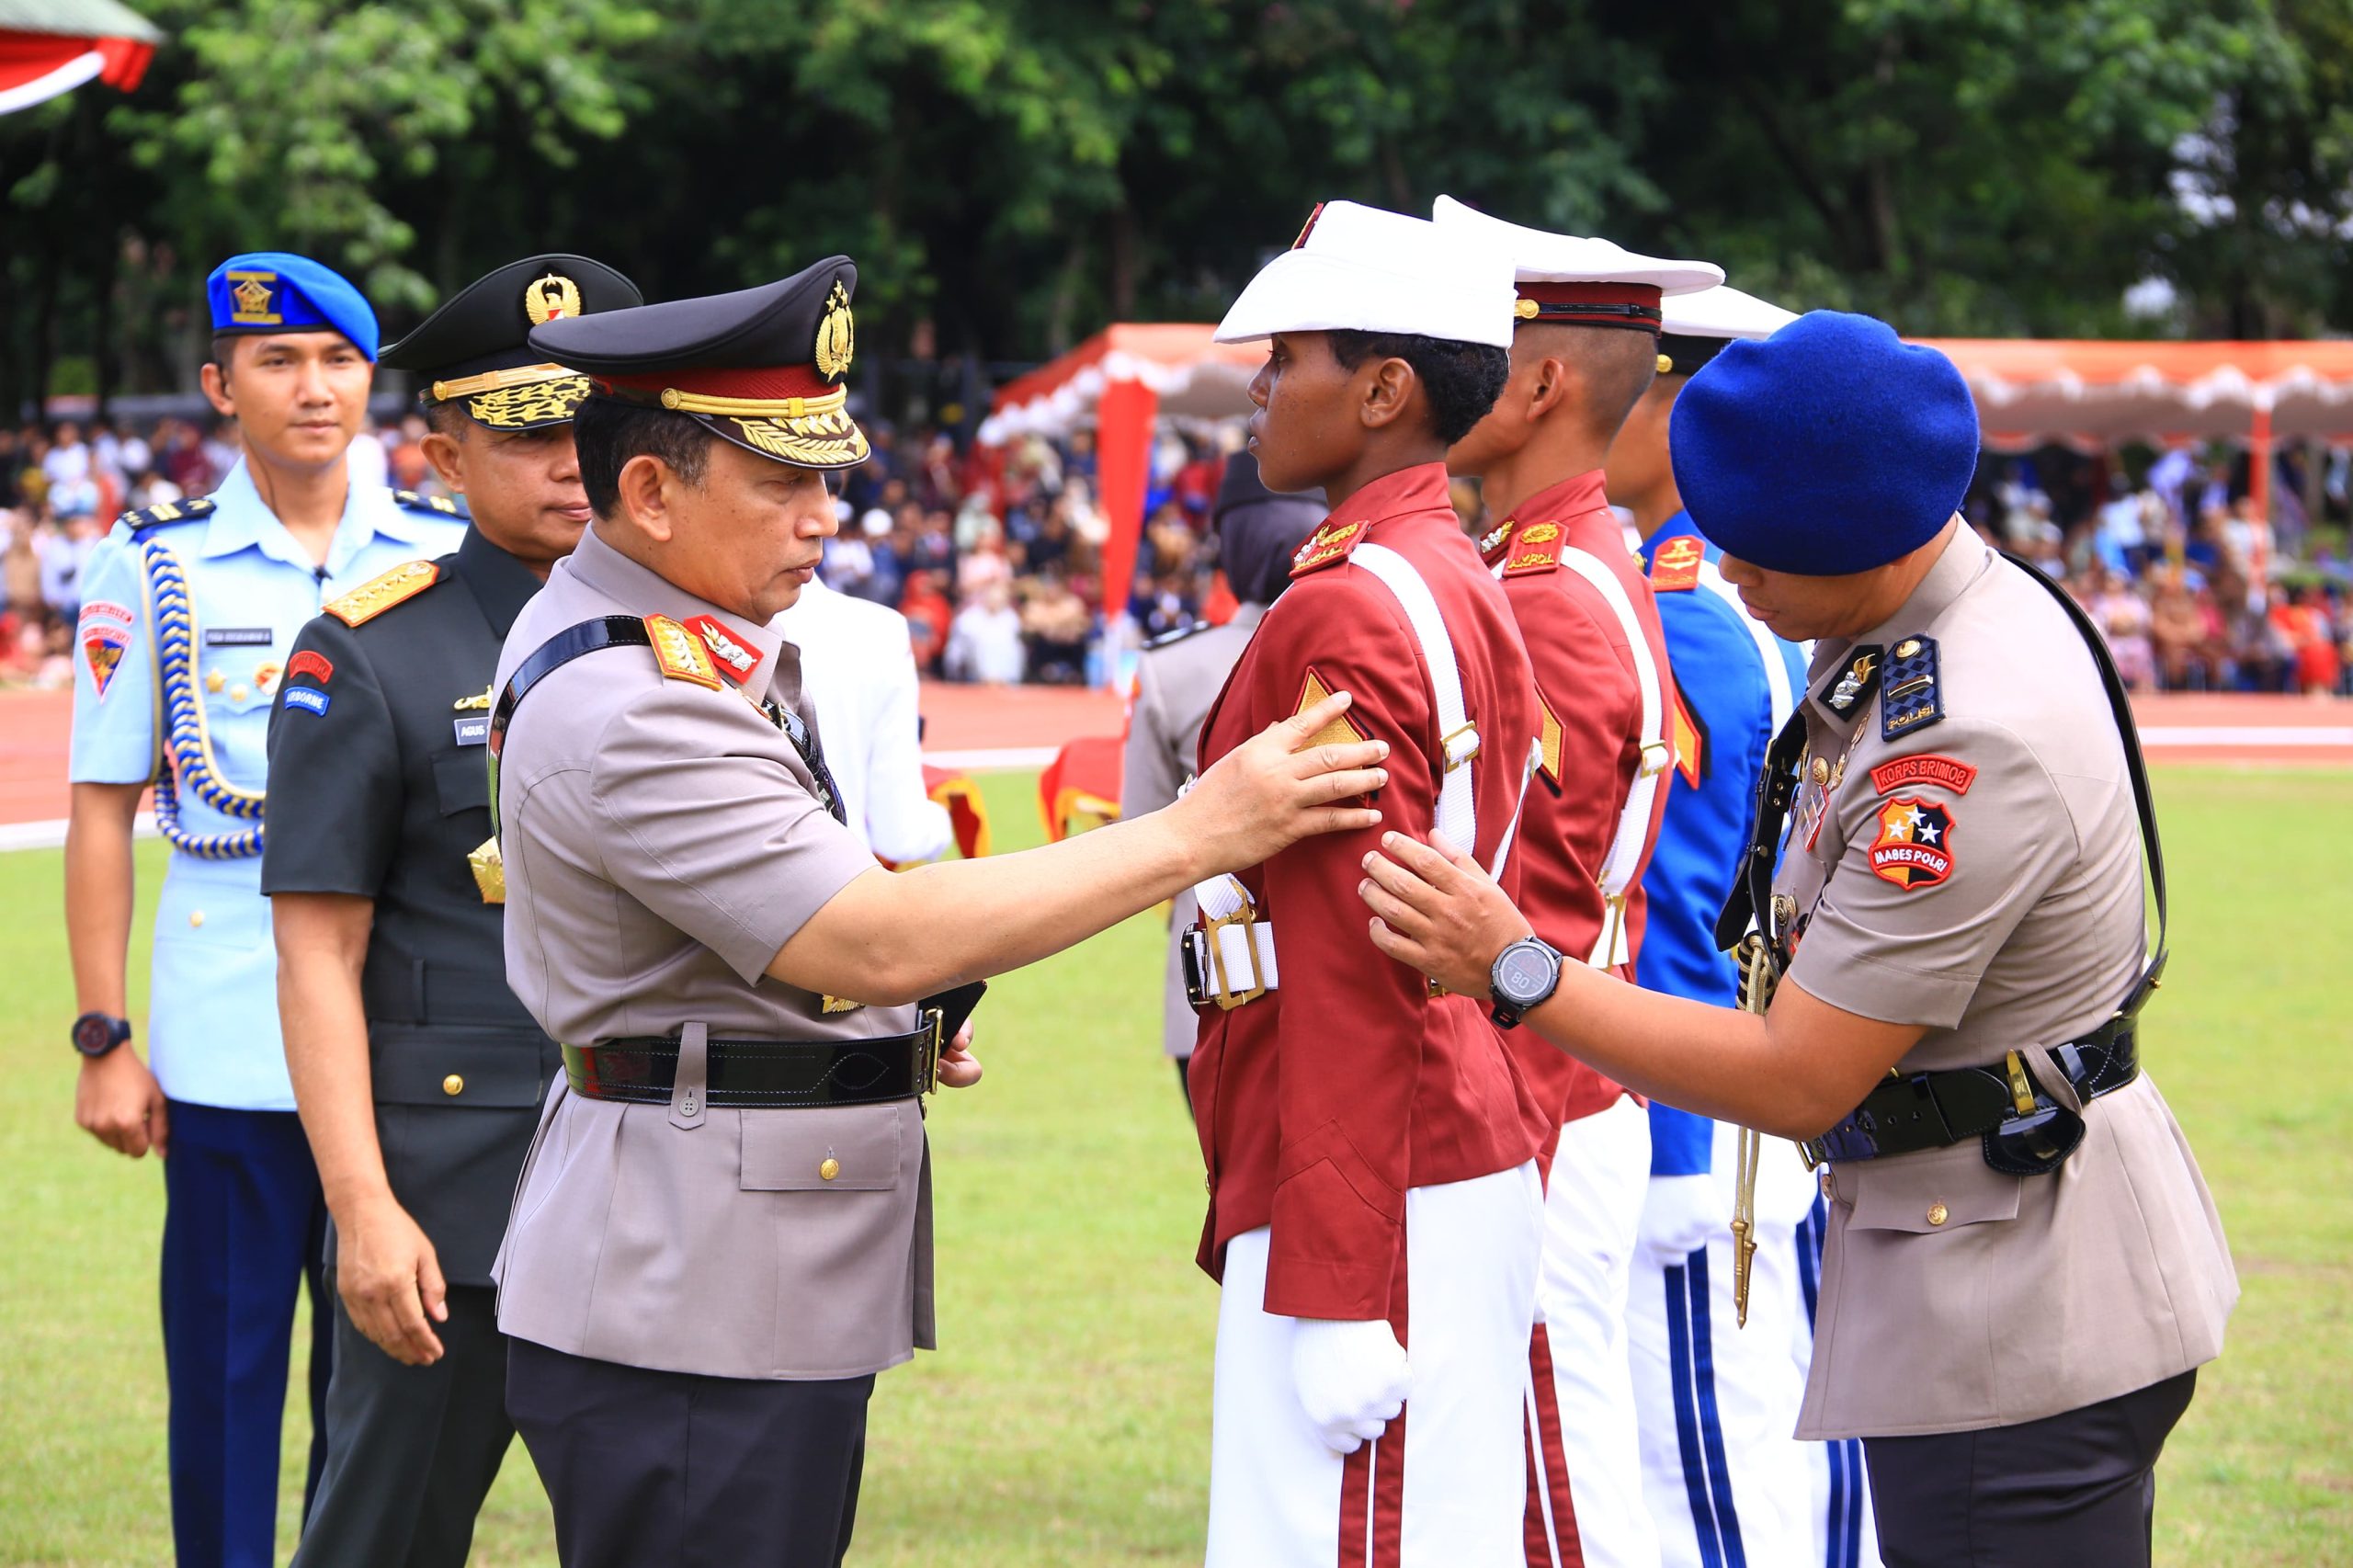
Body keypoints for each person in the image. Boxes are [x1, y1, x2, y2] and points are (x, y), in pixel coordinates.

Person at [485, 256, 1390, 1568]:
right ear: (650, 492)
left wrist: (897, 1012)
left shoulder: (673, 637)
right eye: (781, 481)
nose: (823, 517)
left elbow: (784, 932)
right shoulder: (639, 701)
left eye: (825, 478)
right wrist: (1201, 828)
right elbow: (869, 934)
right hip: (691, 1289)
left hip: (718, 1259)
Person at [1356, 312, 2237, 1567]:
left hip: (2013, 1300)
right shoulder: (1932, 620)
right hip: (1980, 1232)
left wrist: (1515, 964)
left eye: (1763, 549)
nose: (1732, 569)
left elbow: (1797, 1074)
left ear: (1867, 535)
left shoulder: (1961, 742)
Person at [63, 252, 467, 1568]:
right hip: (230, 1040)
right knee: (228, 1385)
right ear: (220, 386)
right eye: (277, 361)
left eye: (339, 360)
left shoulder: (442, 554)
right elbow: (102, 808)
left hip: (403, 1035)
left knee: (386, 1390)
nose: (313, 387)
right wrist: (103, 1034)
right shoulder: (156, 567)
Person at [259, 255, 641, 1568]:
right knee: (384, 1540)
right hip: (449, 1208)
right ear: (444, 458)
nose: (572, 463)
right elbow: (317, 951)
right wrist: (360, 1205)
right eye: (530, 433)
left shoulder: (706, 642)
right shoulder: (369, 651)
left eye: (598, 426)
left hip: (662, 1190)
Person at [1188, 199, 1549, 1567]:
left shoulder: (1352, 597)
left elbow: (1355, 949)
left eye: (1289, 359)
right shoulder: (1431, 562)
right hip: (1422, 1135)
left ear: (1385, 390)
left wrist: (1336, 1277)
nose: (1261, 386)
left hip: (1374, 1165)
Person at [1431, 195, 1722, 1568]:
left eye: (1470, 346)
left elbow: (1530, 901)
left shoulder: (1547, 592)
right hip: (1560, 1072)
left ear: (1541, 381)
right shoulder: (1550, 561)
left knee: (1560, 1491)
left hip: (1539, 1083)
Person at [1608, 283, 1872, 1568]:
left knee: (1699, 1474)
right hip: (1770, 1082)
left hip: (1697, 1103)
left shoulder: (1686, 613)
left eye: (1622, 384)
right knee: (1799, 1450)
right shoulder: (1732, 596)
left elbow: (1678, 900)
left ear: (1681, 409)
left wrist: (1669, 1142)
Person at [1120, 450, 1323, 1108]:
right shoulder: (1376, 639)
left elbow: (1141, 826)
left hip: (1219, 967)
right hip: (1345, 969)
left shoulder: (1171, 668)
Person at [772, 569, 956, 864]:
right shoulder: (879, 630)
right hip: (840, 873)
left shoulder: (691, 630)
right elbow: (901, 835)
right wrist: (943, 819)